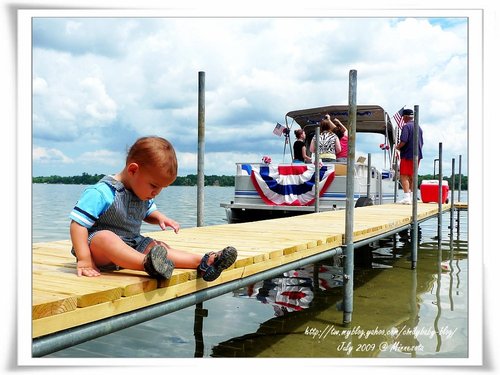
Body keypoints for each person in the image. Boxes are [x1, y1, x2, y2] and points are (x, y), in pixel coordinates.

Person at [69, 136, 237, 281]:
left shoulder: (141, 192)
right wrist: (84, 259)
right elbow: (78, 225)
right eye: (154, 186)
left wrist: (159, 217)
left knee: (158, 247)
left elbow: (148, 212)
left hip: (132, 244)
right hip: (99, 252)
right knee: (105, 237)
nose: (156, 193)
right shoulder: (102, 192)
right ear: (133, 170)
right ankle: (147, 264)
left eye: (162, 188)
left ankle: (205, 262)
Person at [395, 109, 423, 204]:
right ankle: (412, 197)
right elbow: (421, 142)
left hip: (407, 154)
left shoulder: (406, 126)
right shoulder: (419, 127)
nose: (402, 118)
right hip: (417, 154)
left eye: (403, 117)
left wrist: (397, 147)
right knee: (412, 175)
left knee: (404, 175)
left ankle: (407, 197)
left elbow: (404, 140)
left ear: (406, 117)